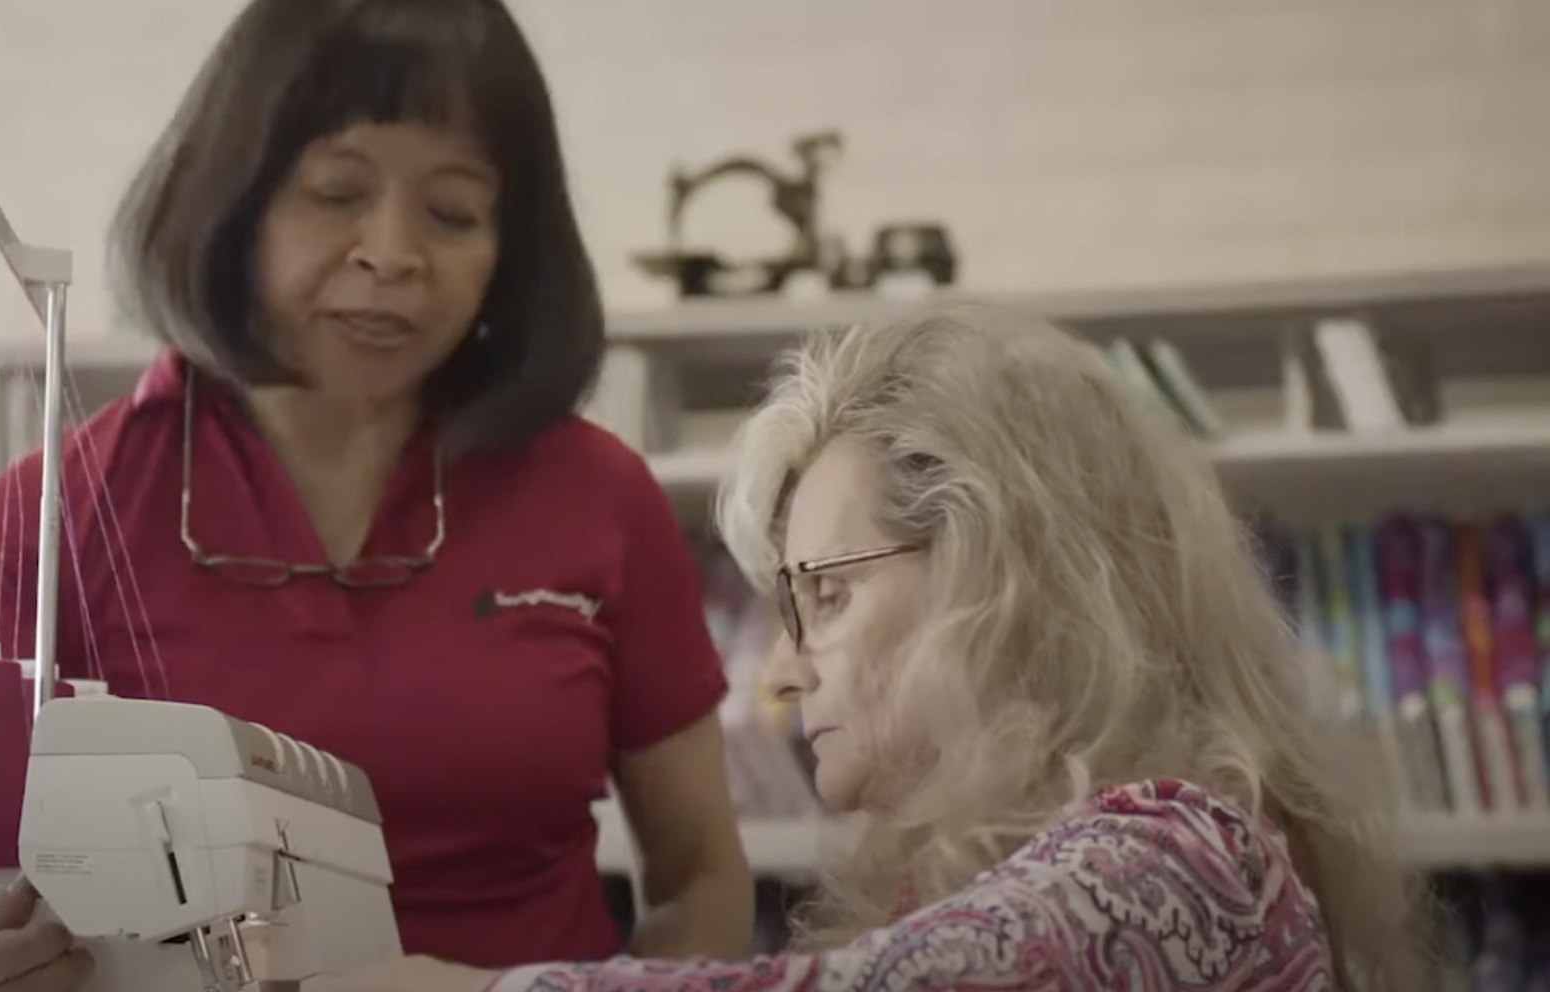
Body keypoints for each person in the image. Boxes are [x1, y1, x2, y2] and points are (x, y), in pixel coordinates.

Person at [0, 1, 754, 988]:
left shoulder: (599, 499)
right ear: (230, 204)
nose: (391, 252)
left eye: (451, 212)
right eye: (335, 193)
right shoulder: (55, 511)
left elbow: (699, 872)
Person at [311, 302, 1437, 992]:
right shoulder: (994, 874)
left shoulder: (1189, 863)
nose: (781, 669)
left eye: (826, 594)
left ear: (1006, 574)